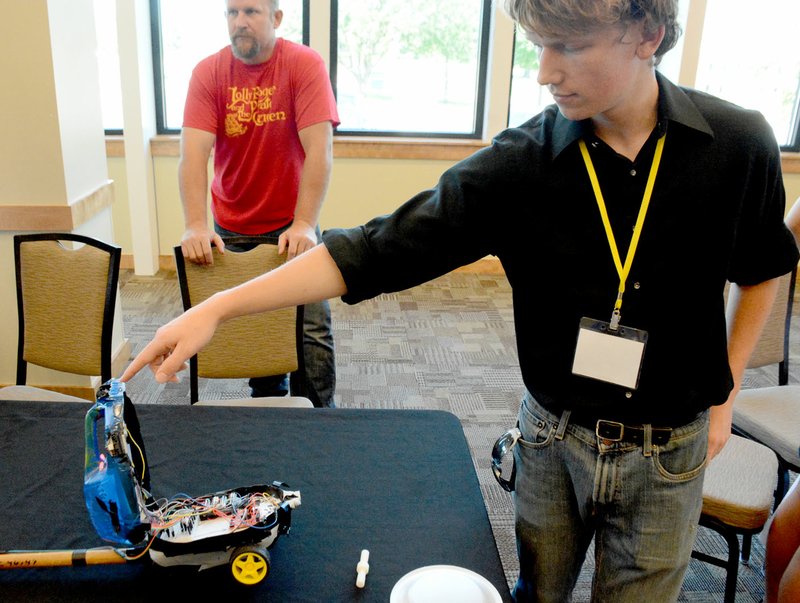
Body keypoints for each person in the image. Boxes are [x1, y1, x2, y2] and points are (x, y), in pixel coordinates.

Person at [122, 1, 799, 600]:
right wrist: (216, 307)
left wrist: (728, 392)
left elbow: (765, 267)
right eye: (539, 45)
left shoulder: (738, 144)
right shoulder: (521, 164)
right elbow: (375, 249)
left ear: (647, 31)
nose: (543, 72)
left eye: (568, 45)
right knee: (536, 591)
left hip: (670, 447)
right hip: (551, 438)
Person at [178, 0, 340, 407]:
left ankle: (322, 423)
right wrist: (196, 224)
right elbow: (193, 154)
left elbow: (319, 151)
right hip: (233, 225)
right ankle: (270, 412)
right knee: (258, 330)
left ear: (276, 18)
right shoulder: (209, 72)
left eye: (250, 11)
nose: (240, 22)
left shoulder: (303, 65)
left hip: (291, 225)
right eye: (232, 13)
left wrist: (304, 222)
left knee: (311, 333)